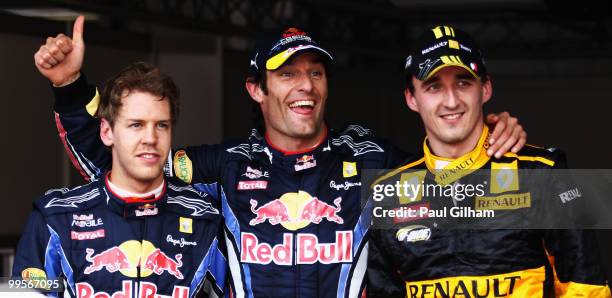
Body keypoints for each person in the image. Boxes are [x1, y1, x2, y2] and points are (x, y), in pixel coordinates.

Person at [34, 16, 527, 297]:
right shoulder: (223, 167)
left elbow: (455, 185)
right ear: (256, 88)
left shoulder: (370, 156)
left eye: (315, 72)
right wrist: (69, 86)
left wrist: (487, 134)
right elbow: (121, 161)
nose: (305, 85)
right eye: (287, 74)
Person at [367, 25, 611, 297]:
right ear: (411, 98)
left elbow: (586, 288)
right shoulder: (387, 194)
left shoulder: (542, 173)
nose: (451, 101)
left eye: (463, 82)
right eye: (434, 86)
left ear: (485, 89)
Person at [13, 61, 226, 297]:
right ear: (107, 132)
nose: (150, 138)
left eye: (161, 125)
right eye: (136, 125)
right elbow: (23, 293)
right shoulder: (54, 218)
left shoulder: (206, 221)